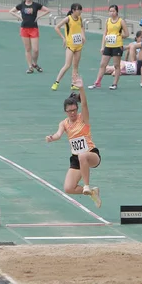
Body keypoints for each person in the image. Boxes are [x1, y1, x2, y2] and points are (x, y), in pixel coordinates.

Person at [45, 77, 101, 209]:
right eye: (70, 111)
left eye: (74, 110)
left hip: (90, 154)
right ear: (65, 111)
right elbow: (58, 134)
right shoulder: (64, 123)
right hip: (76, 158)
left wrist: (81, 88)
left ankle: (86, 185)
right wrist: (51, 138)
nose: (72, 113)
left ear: (77, 108)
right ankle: (92, 192)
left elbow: (85, 104)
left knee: (83, 155)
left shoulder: (83, 118)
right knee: (69, 188)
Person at [9, 0, 51, 74]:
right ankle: (30, 67)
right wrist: (19, 17)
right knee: (28, 49)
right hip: (24, 29)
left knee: (35, 50)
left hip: (34, 28)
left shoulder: (36, 5)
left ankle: (35, 63)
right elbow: (11, 11)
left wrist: (39, 16)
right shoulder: (21, 5)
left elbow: (47, 10)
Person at [89, 5, 129, 90]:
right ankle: (97, 82)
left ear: (117, 12)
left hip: (117, 46)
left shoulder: (121, 21)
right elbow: (105, 33)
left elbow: (127, 34)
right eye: (110, 11)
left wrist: (119, 36)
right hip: (108, 45)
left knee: (116, 65)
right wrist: (102, 46)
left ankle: (114, 84)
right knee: (102, 64)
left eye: (113, 11)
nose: (111, 13)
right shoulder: (107, 21)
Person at [52, 3, 85, 91]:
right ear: (73, 10)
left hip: (78, 45)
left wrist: (83, 36)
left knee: (75, 66)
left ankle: (74, 83)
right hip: (70, 45)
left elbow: (81, 27)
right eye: (79, 10)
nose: (80, 11)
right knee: (67, 65)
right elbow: (57, 27)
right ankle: (56, 82)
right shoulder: (68, 19)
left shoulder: (80, 19)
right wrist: (63, 38)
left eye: (81, 10)